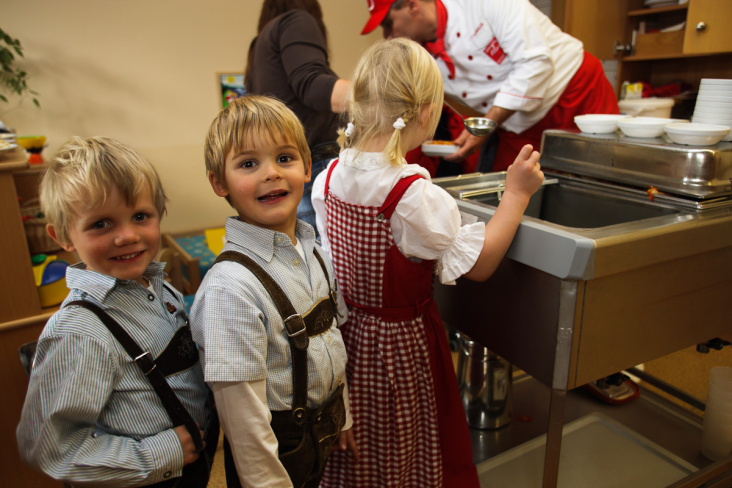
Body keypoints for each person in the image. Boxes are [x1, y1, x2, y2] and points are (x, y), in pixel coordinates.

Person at [312, 37, 544, 487]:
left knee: (359, 454)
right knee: (401, 448)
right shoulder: (412, 196)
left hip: (346, 342)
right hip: (398, 349)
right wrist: (516, 193)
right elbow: (480, 264)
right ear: (424, 114)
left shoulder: (329, 176)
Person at [16, 136, 218, 487]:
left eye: (140, 216)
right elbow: (47, 446)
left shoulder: (161, 287)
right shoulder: (79, 331)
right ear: (62, 235)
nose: (127, 236)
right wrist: (158, 454)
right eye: (101, 224)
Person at [191, 95, 357, 488]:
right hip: (275, 455)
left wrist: (343, 415)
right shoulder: (230, 288)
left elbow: (331, 338)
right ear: (219, 182)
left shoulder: (315, 252)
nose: (272, 174)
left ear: (306, 169)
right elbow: (243, 420)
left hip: (324, 432)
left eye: (284, 158)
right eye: (249, 164)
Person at [361, 0, 619, 172]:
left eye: (387, 24)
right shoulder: (420, 55)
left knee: (602, 173)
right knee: (515, 196)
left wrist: (486, 125)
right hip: (516, 123)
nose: (387, 36)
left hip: (577, 90)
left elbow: (536, 63)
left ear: (411, 5)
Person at [246, 0, 351, 236]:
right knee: (334, 267)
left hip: (290, 170)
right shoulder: (296, 20)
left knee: (308, 262)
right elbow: (312, 85)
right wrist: (388, 93)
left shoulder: (259, 47)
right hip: (315, 167)